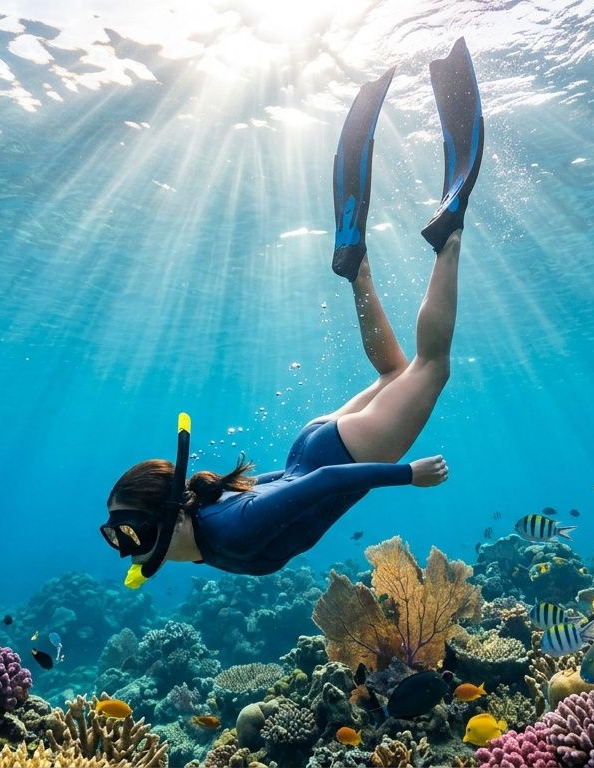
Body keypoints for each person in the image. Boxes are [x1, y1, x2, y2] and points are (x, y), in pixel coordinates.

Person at [102, 38, 485, 586]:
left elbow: (329, 480)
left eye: (129, 531)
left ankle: (448, 236)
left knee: (431, 367)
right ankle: (356, 269)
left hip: (341, 455)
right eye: (117, 535)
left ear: (168, 515)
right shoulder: (212, 523)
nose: (126, 549)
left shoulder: (229, 534)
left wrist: (407, 475)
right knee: (394, 373)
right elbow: (290, 482)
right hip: (315, 446)